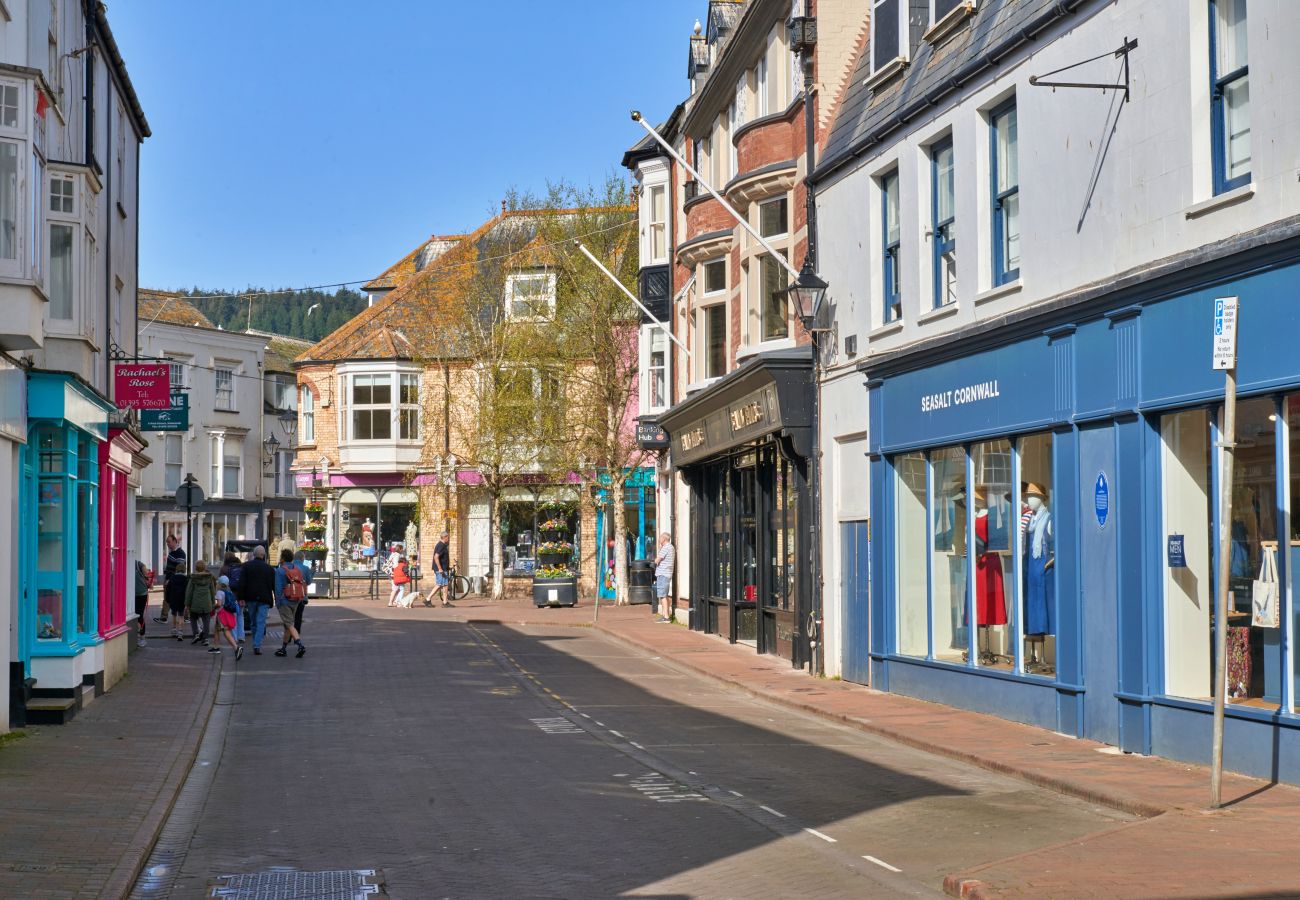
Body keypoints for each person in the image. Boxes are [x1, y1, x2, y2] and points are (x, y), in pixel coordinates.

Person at [241, 545, 278, 655]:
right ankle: (257, 645)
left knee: (253, 622)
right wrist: (277, 598)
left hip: (250, 598)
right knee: (261, 621)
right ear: (263, 555)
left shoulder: (246, 566)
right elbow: (274, 585)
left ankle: (255, 642)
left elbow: (242, 583)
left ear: (254, 554)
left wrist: (241, 597)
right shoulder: (269, 568)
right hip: (264, 598)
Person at [274, 548, 309, 657]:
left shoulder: (280, 571)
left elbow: (278, 588)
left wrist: (278, 602)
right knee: (287, 625)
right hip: (296, 600)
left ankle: (300, 645)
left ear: (282, 558)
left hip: (285, 600)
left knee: (289, 624)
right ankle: (283, 649)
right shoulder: (296, 568)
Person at [185, 560, 217, 645]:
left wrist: (187, 604)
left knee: (193, 618)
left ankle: (196, 634)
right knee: (206, 620)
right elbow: (212, 591)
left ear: (196, 568)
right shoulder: (209, 578)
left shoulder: (193, 578)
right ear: (204, 567)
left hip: (195, 603)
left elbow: (189, 591)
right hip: (207, 603)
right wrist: (213, 602)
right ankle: (205, 638)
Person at [212, 575, 244, 659]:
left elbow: (219, 604)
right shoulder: (229, 592)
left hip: (222, 615)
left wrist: (213, 606)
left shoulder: (219, 592)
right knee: (216, 629)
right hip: (228, 614)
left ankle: (236, 648)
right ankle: (216, 647)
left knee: (226, 632)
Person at [156, 534, 186, 623]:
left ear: (175, 541)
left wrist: (170, 579)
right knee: (167, 597)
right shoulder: (171, 552)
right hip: (169, 578)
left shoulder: (180, 553)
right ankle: (164, 617)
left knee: (177, 598)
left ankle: (185, 616)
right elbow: (170, 567)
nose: (168, 544)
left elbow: (179, 568)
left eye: (169, 542)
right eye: (167, 542)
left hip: (174, 580)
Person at [218, 553, 246, 645]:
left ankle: (234, 637)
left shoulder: (224, 569)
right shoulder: (241, 567)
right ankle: (241, 636)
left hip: (230, 596)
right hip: (241, 595)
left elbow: (220, 582)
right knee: (240, 615)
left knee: (233, 616)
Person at [652, 532, 674, 623]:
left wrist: (654, 562)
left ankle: (666, 617)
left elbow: (657, 560)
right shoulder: (671, 547)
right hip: (667, 573)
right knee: (664, 595)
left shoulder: (666, 548)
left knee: (662, 595)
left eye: (660, 537)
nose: (659, 539)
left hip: (663, 574)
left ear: (664, 539)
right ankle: (666, 615)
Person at [426, 531, 452, 607]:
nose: (449, 539)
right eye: (448, 537)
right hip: (441, 569)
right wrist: (440, 568)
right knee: (439, 584)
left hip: (443, 568)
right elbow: (436, 557)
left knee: (445, 585)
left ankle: (445, 602)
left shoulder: (442, 545)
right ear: (444, 537)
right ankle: (428, 599)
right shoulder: (441, 545)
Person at [164, 562, 189, 640]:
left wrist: (167, 599)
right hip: (182, 599)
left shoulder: (172, 578)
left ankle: (174, 629)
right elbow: (188, 590)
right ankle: (180, 633)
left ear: (177, 569)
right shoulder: (186, 579)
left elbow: (168, 590)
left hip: (173, 599)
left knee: (174, 614)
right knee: (181, 616)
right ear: (184, 570)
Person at [134, 560, 150, 648]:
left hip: (141, 594)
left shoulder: (137, 564)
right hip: (131, 594)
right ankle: (138, 636)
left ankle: (142, 637)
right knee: (135, 615)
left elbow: (147, 574)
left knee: (139, 615)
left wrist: (148, 581)